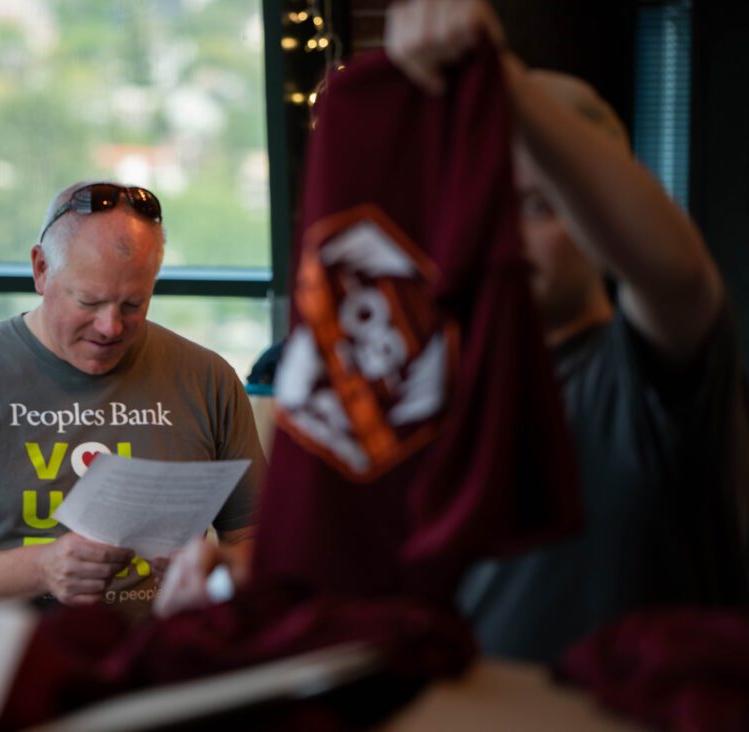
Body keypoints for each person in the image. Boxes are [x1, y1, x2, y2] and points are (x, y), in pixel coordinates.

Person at [156, 0, 749, 664]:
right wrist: (246, 585)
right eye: (493, 208)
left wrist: (505, 83)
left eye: (539, 208)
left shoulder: (644, 376)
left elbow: (676, 276)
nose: (510, 237)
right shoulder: (415, 389)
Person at [0, 181, 265, 618]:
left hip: (163, 663)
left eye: (133, 304)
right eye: (89, 301)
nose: (110, 327)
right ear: (41, 270)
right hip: (2, 666)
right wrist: (41, 568)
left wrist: (214, 568)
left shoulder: (207, 379)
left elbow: (259, 544)